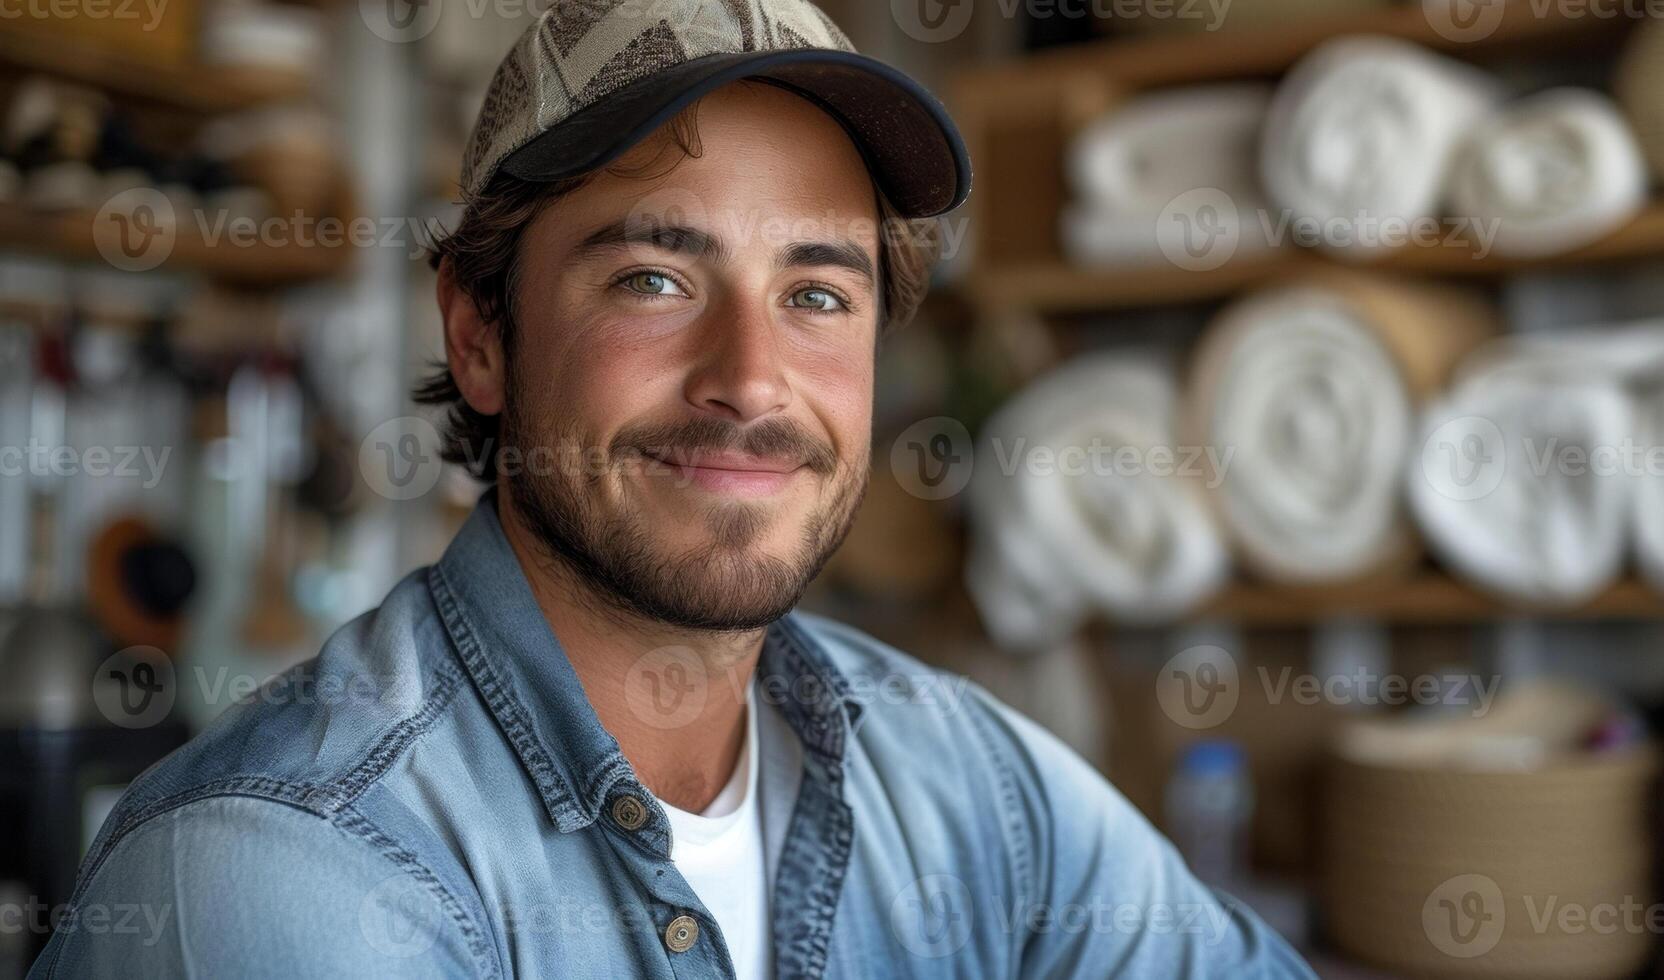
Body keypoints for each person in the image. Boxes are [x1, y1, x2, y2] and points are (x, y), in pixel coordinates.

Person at [31, 1, 1312, 976]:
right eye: (655, 276)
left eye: (817, 294)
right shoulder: (280, 875)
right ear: (479, 332)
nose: (752, 381)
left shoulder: (975, 790)